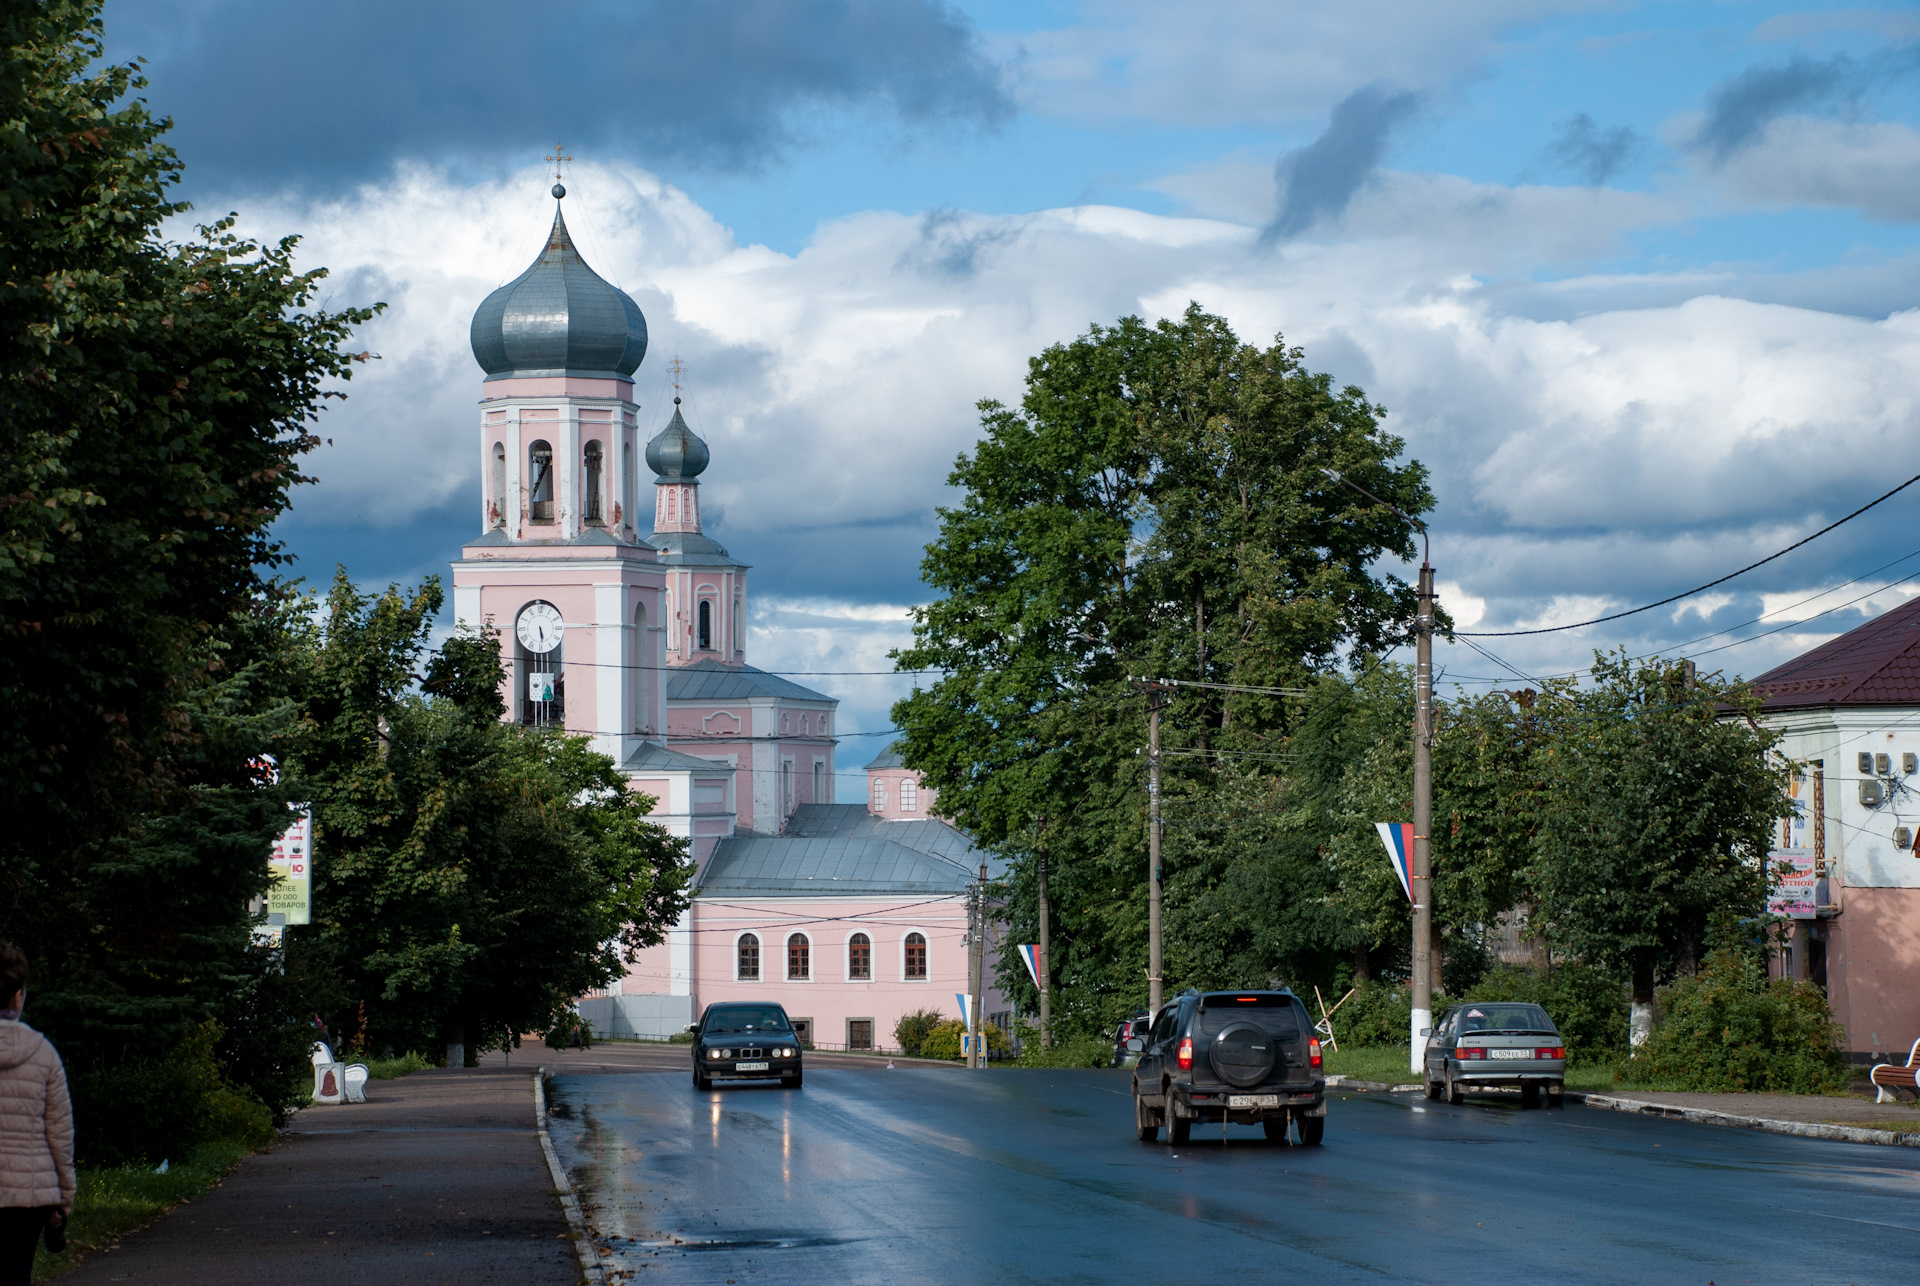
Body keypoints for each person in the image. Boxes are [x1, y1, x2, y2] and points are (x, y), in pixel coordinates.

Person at [0, 943, 72, 1286]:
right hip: (26, 1198)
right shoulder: (43, 1054)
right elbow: (60, 1134)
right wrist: (64, 1197)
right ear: (18, 996)